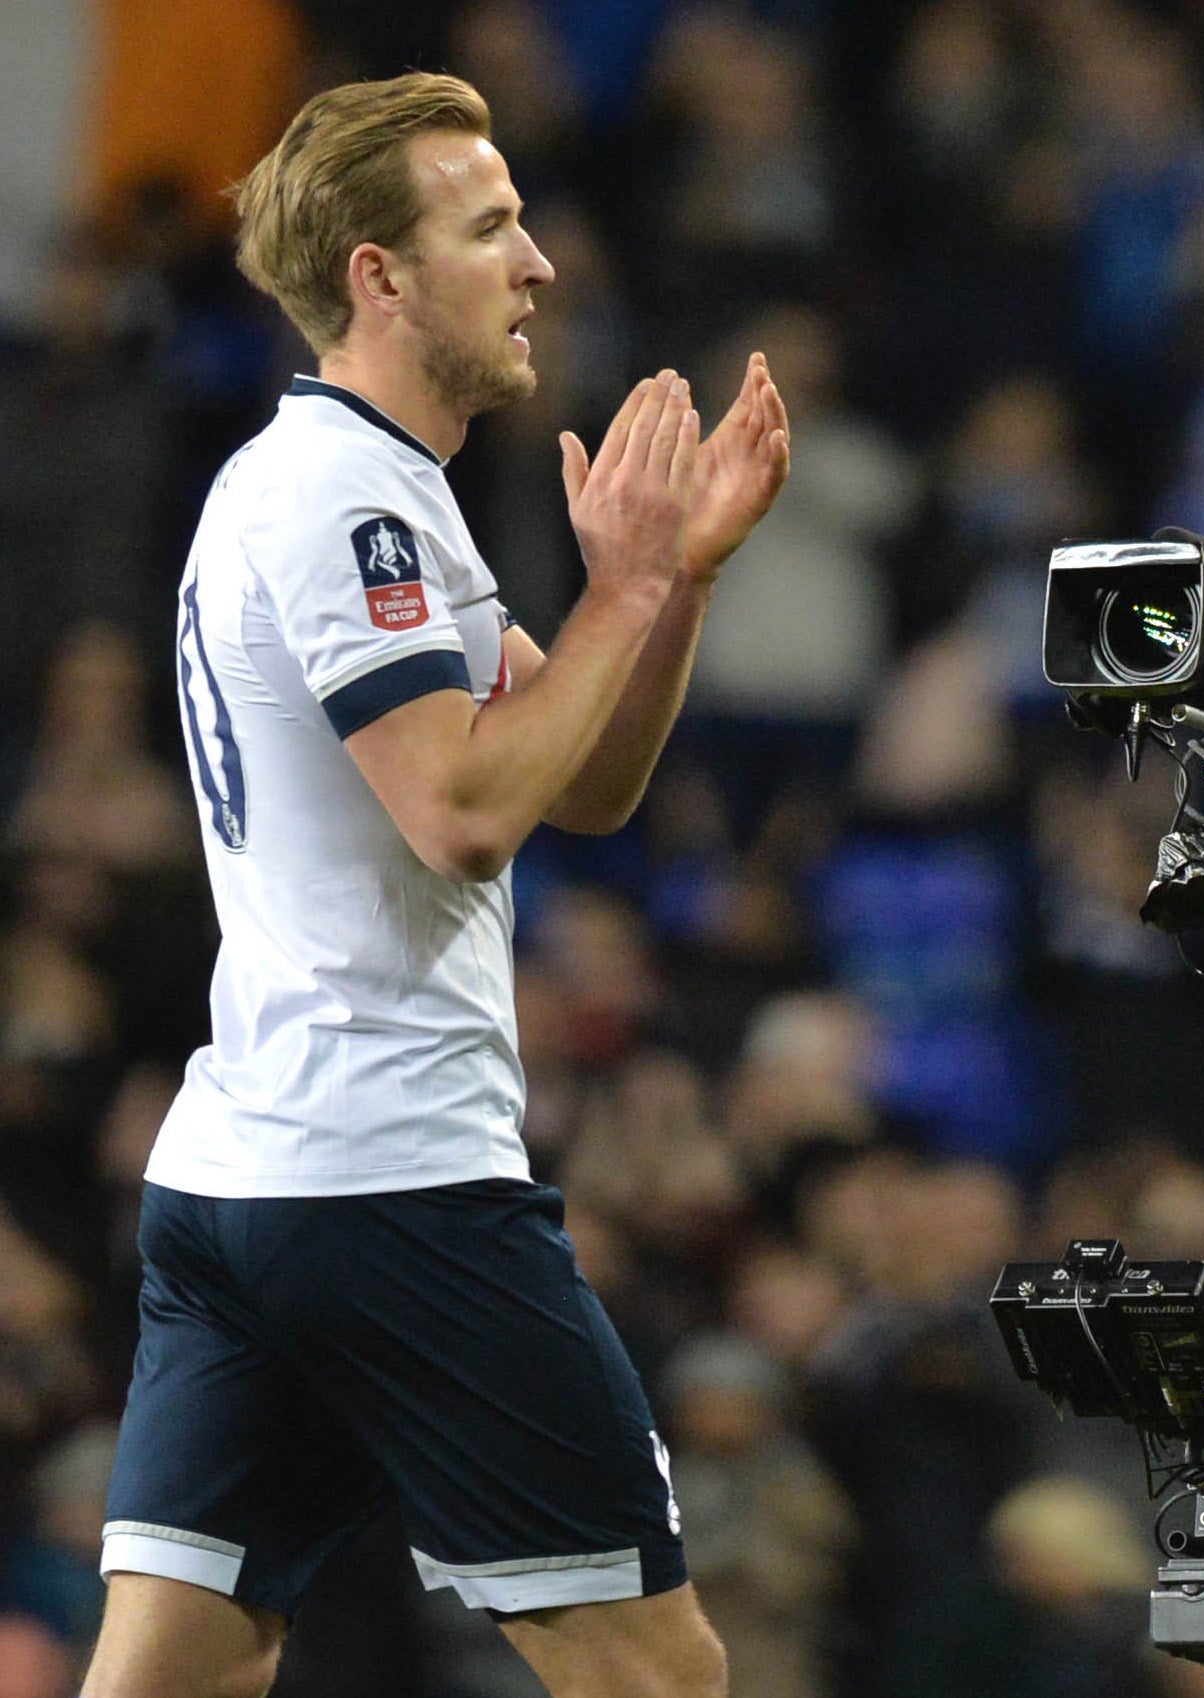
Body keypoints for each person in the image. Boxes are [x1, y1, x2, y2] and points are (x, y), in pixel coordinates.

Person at [85, 75, 789, 1698]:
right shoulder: (345, 500)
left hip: (250, 1177)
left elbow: (584, 779)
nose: (538, 262)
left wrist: (668, 586)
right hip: (389, 1182)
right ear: (377, 278)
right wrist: (620, 582)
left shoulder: (368, 486)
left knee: (169, 1676)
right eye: (490, 229)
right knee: (663, 1674)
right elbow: (464, 812)